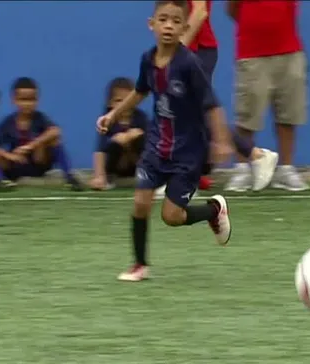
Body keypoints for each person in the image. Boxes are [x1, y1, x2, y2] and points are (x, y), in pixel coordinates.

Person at [96, 0, 234, 282]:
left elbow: (212, 105)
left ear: (184, 27)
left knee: (171, 216)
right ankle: (139, 264)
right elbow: (139, 91)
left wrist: (220, 141)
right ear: (152, 24)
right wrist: (113, 115)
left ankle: (213, 210)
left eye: (175, 21)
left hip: (188, 153)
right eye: (163, 20)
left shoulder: (189, 64)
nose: (169, 26)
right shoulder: (148, 59)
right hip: (156, 147)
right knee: (140, 203)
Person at [178, 0, 279, 193]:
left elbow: (200, 11)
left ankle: (256, 155)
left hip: (197, 49)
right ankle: (255, 155)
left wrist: (178, 48)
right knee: (190, 113)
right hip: (192, 48)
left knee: (197, 110)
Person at [225, 0, 310, 192]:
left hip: (290, 52)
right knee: (247, 116)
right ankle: (242, 169)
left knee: (288, 114)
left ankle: (286, 170)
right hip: (251, 52)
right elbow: (232, 9)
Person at [0, 77, 83, 190]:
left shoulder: (40, 118)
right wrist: (10, 156)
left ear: (37, 100)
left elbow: (56, 131)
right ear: (14, 100)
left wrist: (30, 146)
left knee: (54, 139)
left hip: (38, 163)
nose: (27, 104)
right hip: (16, 165)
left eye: (32, 100)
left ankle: (70, 177)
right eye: (23, 100)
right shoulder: (8, 122)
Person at [90, 77, 149, 191]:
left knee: (141, 139)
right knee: (115, 143)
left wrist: (132, 135)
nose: (124, 106)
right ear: (109, 103)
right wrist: (99, 176)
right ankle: (108, 178)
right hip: (117, 166)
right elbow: (100, 150)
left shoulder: (140, 117)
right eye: (119, 101)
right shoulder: (107, 121)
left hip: (135, 164)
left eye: (128, 101)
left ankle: (148, 176)